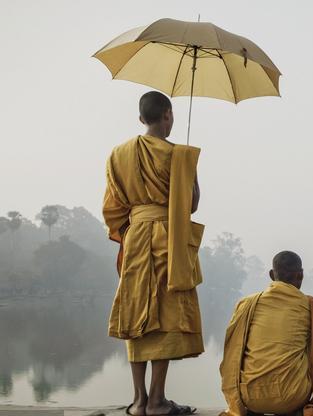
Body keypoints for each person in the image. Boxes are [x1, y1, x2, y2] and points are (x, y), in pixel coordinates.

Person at [103, 91, 205, 416]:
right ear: (168, 115)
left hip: (135, 238)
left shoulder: (118, 155)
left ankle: (138, 401)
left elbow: (112, 209)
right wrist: (189, 171)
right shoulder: (178, 155)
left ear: (140, 118)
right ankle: (158, 401)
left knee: (136, 312)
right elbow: (191, 205)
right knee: (164, 315)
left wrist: (133, 229)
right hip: (168, 239)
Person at [220, 251, 313, 416]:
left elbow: (231, 357)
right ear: (301, 275)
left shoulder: (247, 303)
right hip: (291, 397)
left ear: (271, 275)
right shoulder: (310, 304)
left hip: (249, 396)